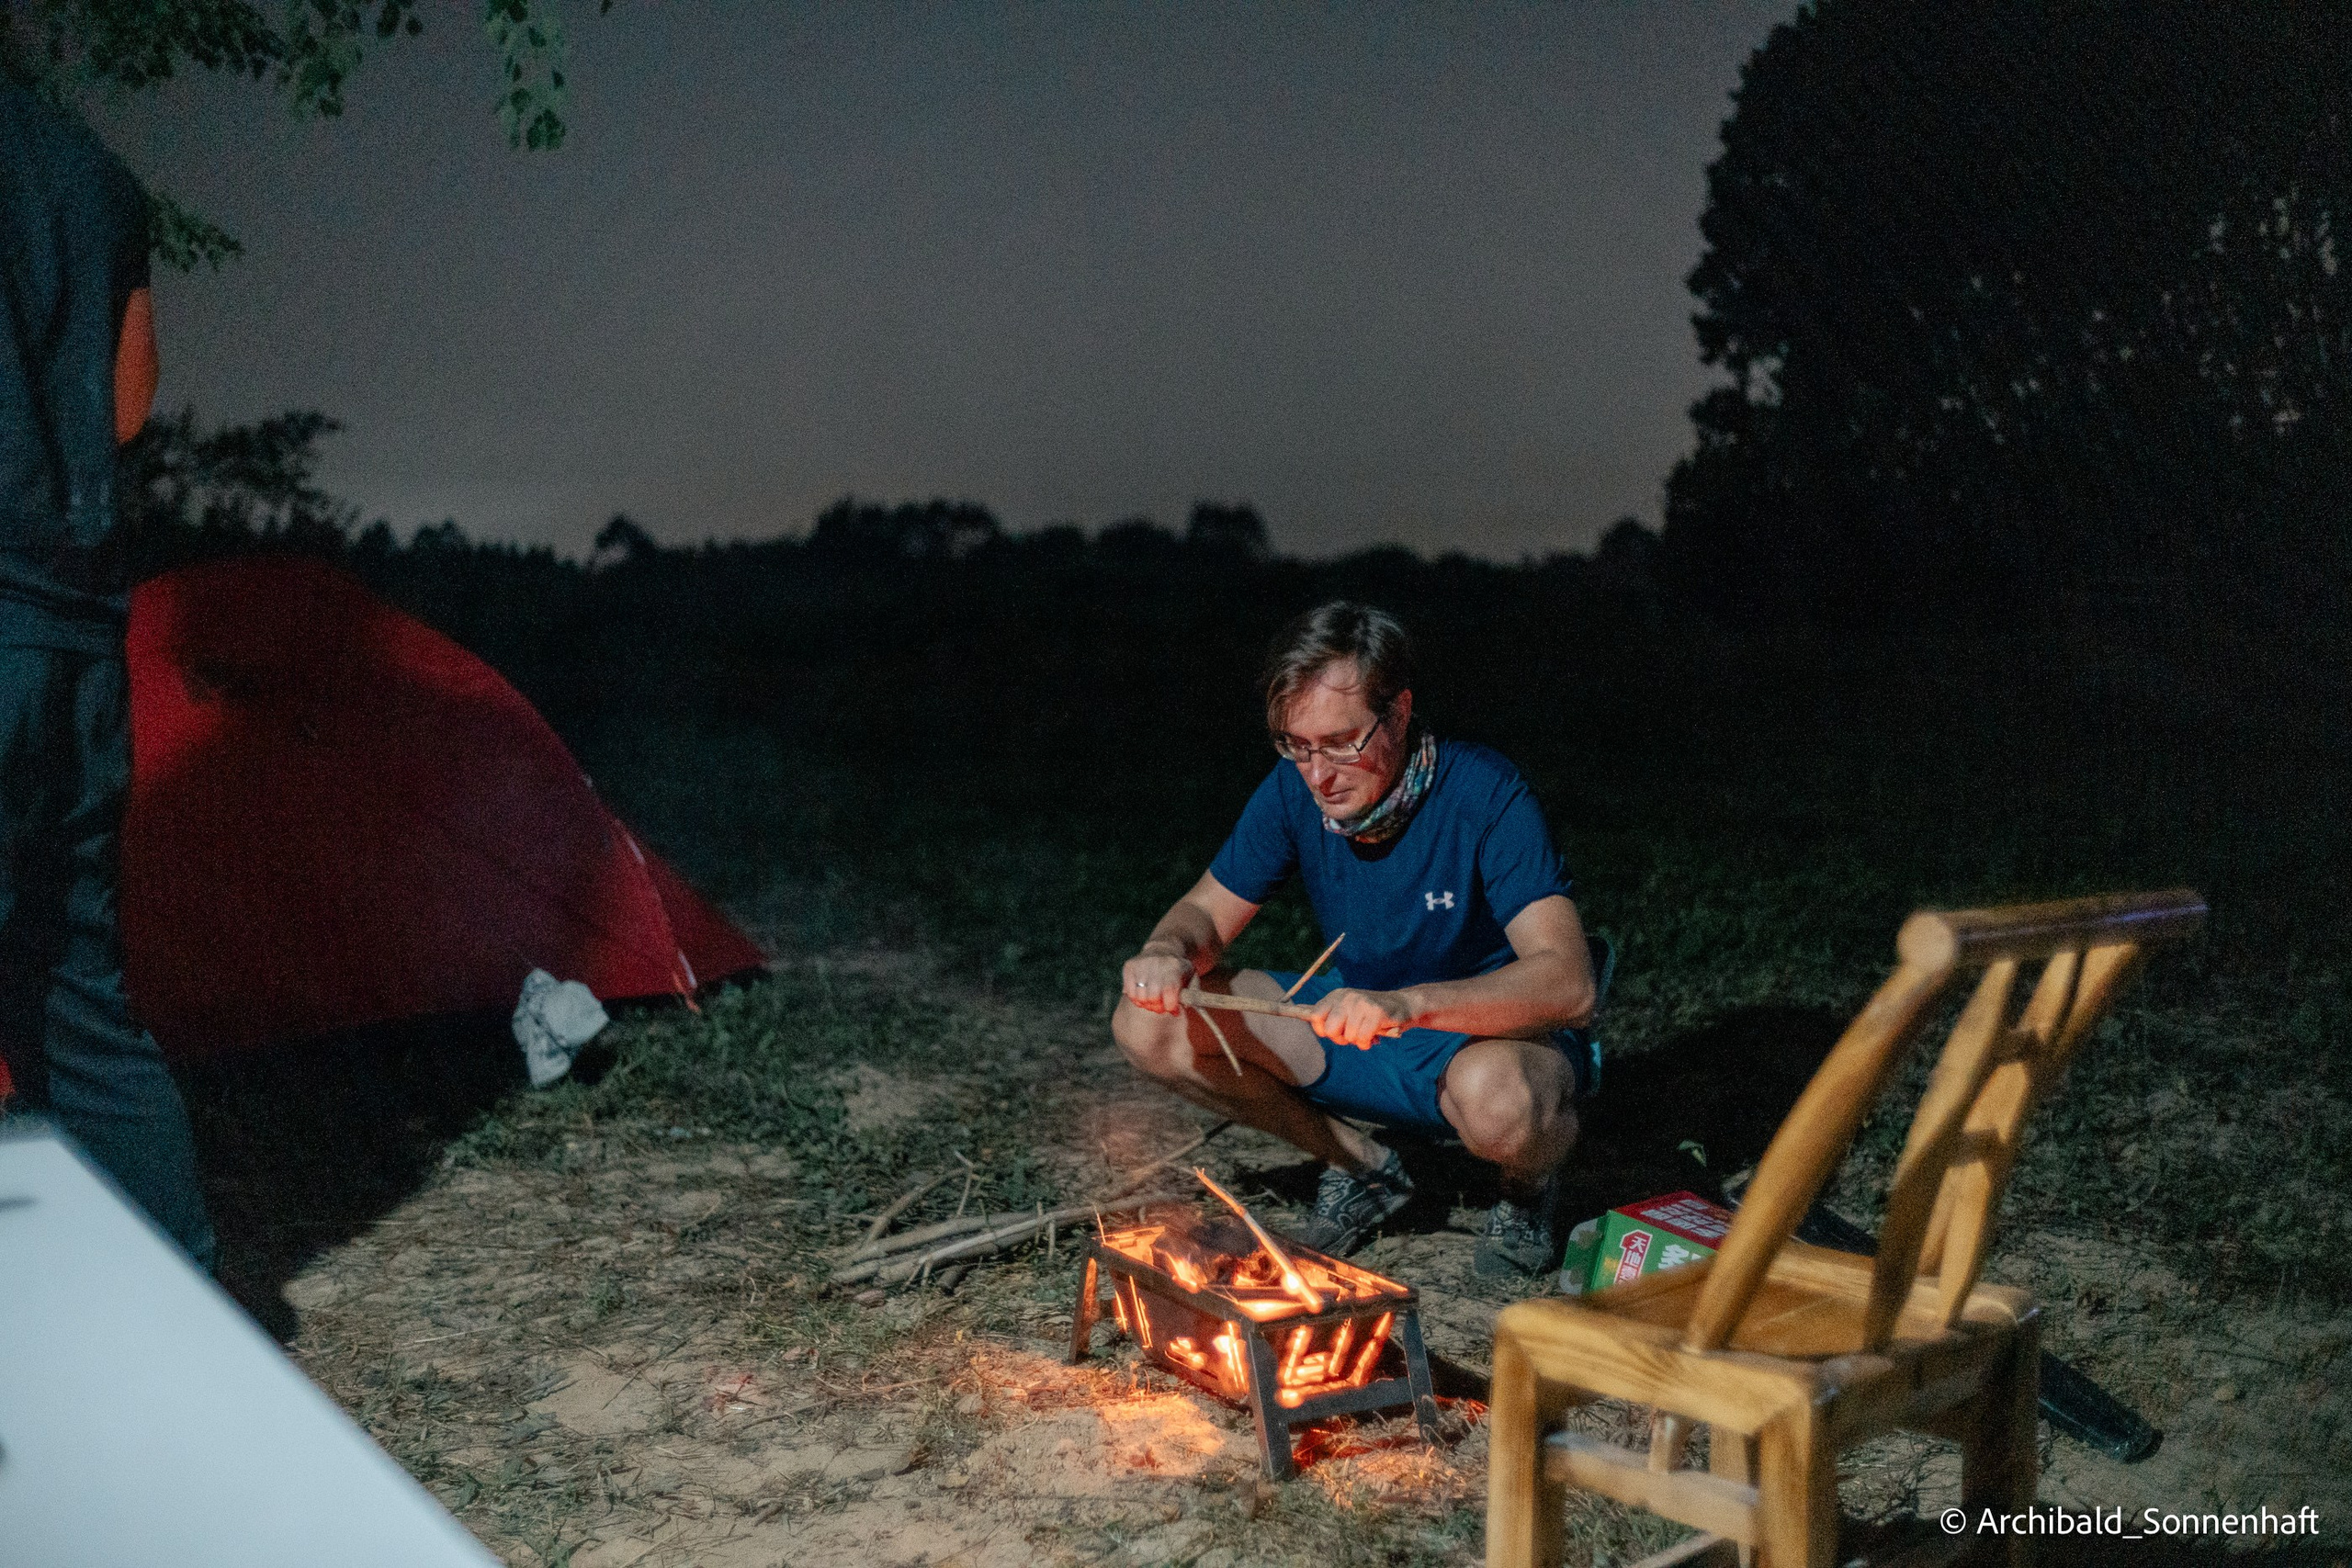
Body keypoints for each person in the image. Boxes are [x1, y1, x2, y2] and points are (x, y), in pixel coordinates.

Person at [1114, 602, 1596, 1277]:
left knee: (1500, 1100)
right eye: (1297, 744)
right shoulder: (1295, 790)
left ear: (1399, 713)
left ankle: (1525, 1189)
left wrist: (1410, 1005)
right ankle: (1366, 1166)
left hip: (1494, 1042)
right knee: (1148, 1022)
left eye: (1342, 741)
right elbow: (1203, 910)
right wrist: (1168, 951)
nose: (1319, 773)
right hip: (1362, 1024)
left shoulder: (1484, 793)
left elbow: (1569, 984)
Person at [0, 81, 216, 1269]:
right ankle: (201, 1338)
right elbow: (125, 409)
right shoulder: (89, 167)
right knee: (79, 1004)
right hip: (75, 629)